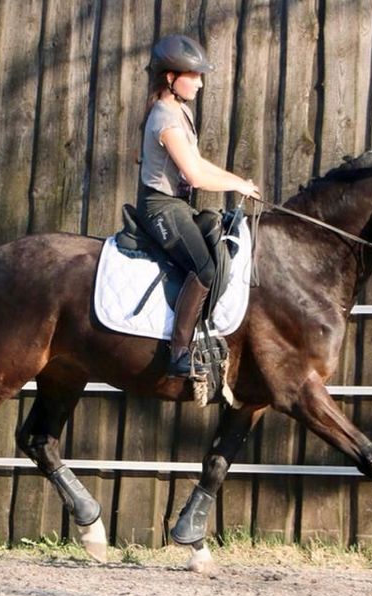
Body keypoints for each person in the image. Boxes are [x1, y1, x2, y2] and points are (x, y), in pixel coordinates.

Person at [136, 34, 261, 377]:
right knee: (203, 267)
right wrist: (235, 184)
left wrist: (240, 182)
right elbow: (194, 175)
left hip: (177, 206)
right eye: (194, 76)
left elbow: (200, 163)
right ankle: (178, 352)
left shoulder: (181, 112)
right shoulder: (165, 117)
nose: (200, 83)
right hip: (159, 208)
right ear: (171, 78)